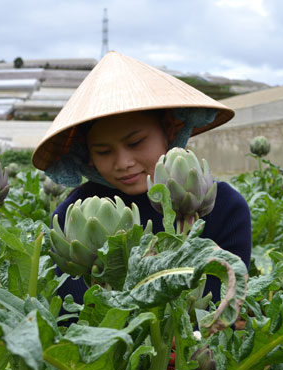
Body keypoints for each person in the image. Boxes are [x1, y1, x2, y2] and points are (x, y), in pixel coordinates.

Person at [31, 51, 251, 306]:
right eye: (104, 151)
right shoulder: (71, 215)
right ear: (87, 155)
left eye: (136, 142)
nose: (123, 163)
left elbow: (222, 310)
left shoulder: (223, 207)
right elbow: (73, 317)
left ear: (168, 130)